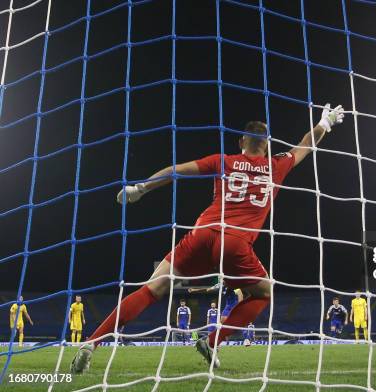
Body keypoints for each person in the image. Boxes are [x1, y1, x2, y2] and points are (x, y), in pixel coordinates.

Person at [70, 104, 344, 373]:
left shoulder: (222, 161)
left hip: (202, 234)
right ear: (268, 144)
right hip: (235, 245)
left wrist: (141, 188)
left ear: (241, 142)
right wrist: (324, 124)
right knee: (263, 292)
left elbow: (177, 169)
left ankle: (91, 343)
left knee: (152, 289)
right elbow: (305, 145)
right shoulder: (276, 165)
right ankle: (212, 341)